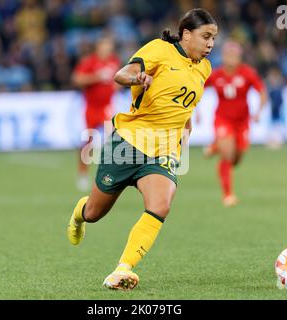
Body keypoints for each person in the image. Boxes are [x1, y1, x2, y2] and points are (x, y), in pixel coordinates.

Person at [67, 8, 217, 290]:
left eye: (213, 39)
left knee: (161, 205)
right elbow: (122, 74)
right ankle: (79, 214)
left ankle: (122, 269)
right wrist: (138, 79)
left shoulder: (205, 69)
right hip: (128, 143)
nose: (210, 44)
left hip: (164, 152)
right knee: (94, 214)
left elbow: (185, 107)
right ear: (186, 34)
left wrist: (185, 132)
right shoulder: (160, 50)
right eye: (206, 36)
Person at [203, 40, 268, 207]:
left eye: (235, 55)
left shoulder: (248, 73)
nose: (232, 58)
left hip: (242, 122)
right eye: (228, 55)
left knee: (236, 160)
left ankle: (215, 146)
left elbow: (262, 92)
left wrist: (259, 112)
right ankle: (228, 195)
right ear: (223, 57)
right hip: (222, 120)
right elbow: (197, 89)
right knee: (228, 155)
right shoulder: (216, 75)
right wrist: (195, 111)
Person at [72, 35, 120, 191]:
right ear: (98, 47)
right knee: (88, 142)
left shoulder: (114, 61)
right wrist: (97, 77)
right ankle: (83, 174)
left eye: (109, 45)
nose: (107, 49)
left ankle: (111, 176)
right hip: (91, 108)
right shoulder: (89, 62)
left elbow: (118, 81)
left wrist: (116, 85)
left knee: (114, 142)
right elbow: (77, 79)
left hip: (107, 108)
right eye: (104, 45)